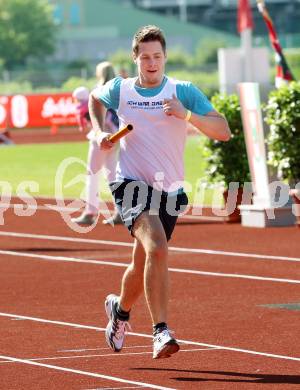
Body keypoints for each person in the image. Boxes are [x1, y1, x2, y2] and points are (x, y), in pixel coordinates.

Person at [89, 25, 231, 359]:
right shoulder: (121, 89)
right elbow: (96, 99)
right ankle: (160, 331)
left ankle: (119, 311)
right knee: (158, 247)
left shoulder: (182, 90)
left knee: (143, 264)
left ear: (165, 57)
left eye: (158, 56)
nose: (152, 63)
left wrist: (188, 115)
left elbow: (223, 131)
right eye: (145, 57)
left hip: (169, 190)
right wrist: (99, 133)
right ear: (135, 58)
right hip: (130, 185)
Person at [71, 61, 122, 225]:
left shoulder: (98, 91)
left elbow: (99, 117)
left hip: (100, 137)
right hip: (117, 136)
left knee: (92, 174)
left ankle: (90, 211)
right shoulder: (119, 90)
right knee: (113, 175)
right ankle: (120, 211)